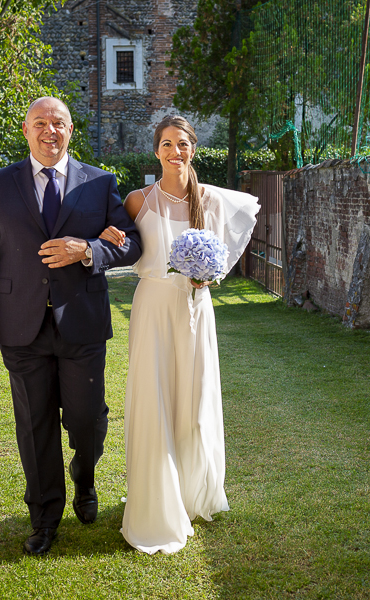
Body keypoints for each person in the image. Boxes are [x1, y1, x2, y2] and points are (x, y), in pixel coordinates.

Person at [0, 97, 143, 555]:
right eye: (40, 123)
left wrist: (87, 249)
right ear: (26, 130)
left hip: (81, 324)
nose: (49, 131)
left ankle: (85, 479)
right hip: (19, 327)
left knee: (86, 422)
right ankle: (44, 518)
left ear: (70, 131)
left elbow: (132, 245)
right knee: (34, 425)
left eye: (58, 123)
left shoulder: (99, 183)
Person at [99, 115, 259, 553]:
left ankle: (189, 493)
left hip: (194, 308)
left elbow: (239, 226)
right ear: (157, 151)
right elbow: (119, 240)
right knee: (154, 396)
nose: (176, 152)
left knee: (193, 398)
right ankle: (156, 498)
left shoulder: (208, 199)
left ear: (193, 149)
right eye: (167, 144)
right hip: (152, 307)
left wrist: (211, 273)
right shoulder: (137, 199)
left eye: (183, 144)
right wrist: (107, 235)